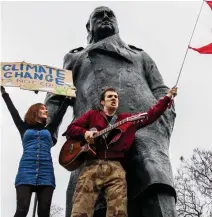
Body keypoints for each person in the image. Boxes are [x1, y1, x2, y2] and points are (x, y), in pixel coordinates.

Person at [45, 6, 177, 217]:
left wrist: (165, 119)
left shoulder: (139, 55)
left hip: (142, 128)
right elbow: (57, 96)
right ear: (89, 27)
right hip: (96, 138)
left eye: (110, 15)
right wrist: (44, 128)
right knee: (93, 203)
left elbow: (160, 88)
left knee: (155, 186)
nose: (106, 17)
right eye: (99, 15)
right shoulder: (75, 58)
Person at [63, 86, 177, 217]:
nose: (113, 99)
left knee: (118, 213)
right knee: (80, 209)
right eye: (110, 96)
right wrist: (85, 133)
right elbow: (71, 129)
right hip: (91, 166)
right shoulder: (92, 115)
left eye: (116, 97)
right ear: (102, 102)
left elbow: (151, 114)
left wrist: (167, 98)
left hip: (116, 168)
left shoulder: (127, 119)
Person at [1, 86, 69, 217]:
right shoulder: (23, 127)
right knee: (22, 210)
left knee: (44, 213)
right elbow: (13, 110)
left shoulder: (50, 129)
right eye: (43, 108)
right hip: (26, 170)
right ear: (34, 111)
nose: (46, 111)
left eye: (46, 109)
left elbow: (60, 114)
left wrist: (67, 98)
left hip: (46, 172)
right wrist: (4, 94)